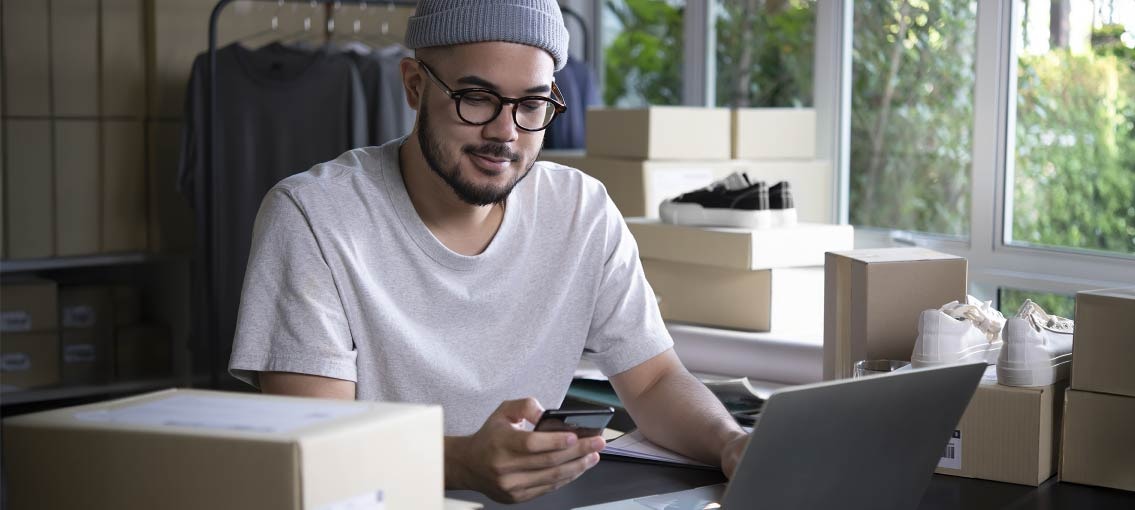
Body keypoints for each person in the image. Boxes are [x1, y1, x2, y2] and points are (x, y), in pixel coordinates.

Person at [228, 0, 749, 503]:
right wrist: (461, 464)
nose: (505, 132)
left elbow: (654, 380)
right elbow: (315, 444)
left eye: (532, 104)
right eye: (476, 97)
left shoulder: (581, 210)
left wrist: (733, 445)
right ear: (414, 85)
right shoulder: (313, 216)